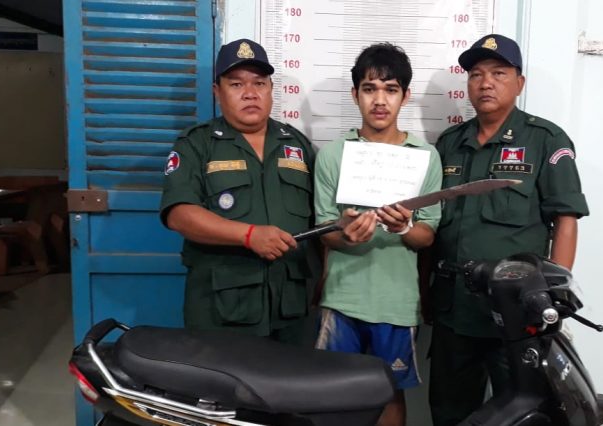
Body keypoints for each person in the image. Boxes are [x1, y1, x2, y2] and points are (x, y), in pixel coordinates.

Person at [427, 34, 590, 425]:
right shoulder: (450, 144)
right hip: (454, 311)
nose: (486, 83)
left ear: (520, 82)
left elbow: (565, 219)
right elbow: (432, 226)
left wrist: (554, 296)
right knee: (450, 413)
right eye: (476, 74)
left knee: (523, 414)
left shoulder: (544, 140)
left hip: (517, 313)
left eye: (498, 73)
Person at [313, 43, 442, 426]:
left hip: (396, 302)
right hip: (342, 298)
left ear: (406, 95)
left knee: (390, 393)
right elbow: (324, 231)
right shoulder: (333, 155)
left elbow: (427, 236)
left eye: (391, 89)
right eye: (370, 89)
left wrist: (405, 227)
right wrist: (345, 235)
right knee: (334, 394)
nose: (380, 100)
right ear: (355, 95)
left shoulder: (426, 157)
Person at [159, 39, 317, 345]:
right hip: (221, 312)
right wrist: (249, 235)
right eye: (236, 84)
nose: (250, 93)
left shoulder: (297, 144)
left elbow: (318, 218)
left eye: (259, 83)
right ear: (217, 92)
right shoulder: (196, 144)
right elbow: (179, 214)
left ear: (271, 90)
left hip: (291, 308)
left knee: (291, 377)